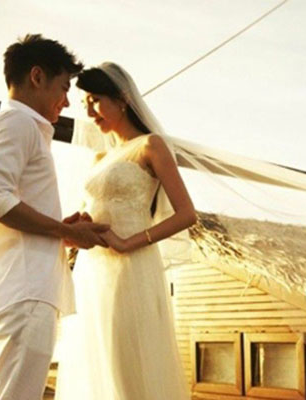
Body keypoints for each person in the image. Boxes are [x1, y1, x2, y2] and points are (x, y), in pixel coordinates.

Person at [0, 34, 109, 400]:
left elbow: (4, 201)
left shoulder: (23, 127)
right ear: (37, 76)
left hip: (27, 288)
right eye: (64, 88)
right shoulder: (16, 122)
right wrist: (62, 229)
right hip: (25, 288)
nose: (67, 101)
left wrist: (63, 231)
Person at [55, 62, 196, 399]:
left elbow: (187, 214)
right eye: (85, 102)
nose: (89, 111)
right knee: (95, 362)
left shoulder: (150, 146)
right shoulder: (99, 158)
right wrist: (78, 226)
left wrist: (129, 242)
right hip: (92, 271)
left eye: (95, 100)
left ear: (121, 99)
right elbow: (94, 212)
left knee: (126, 362)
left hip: (131, 268)